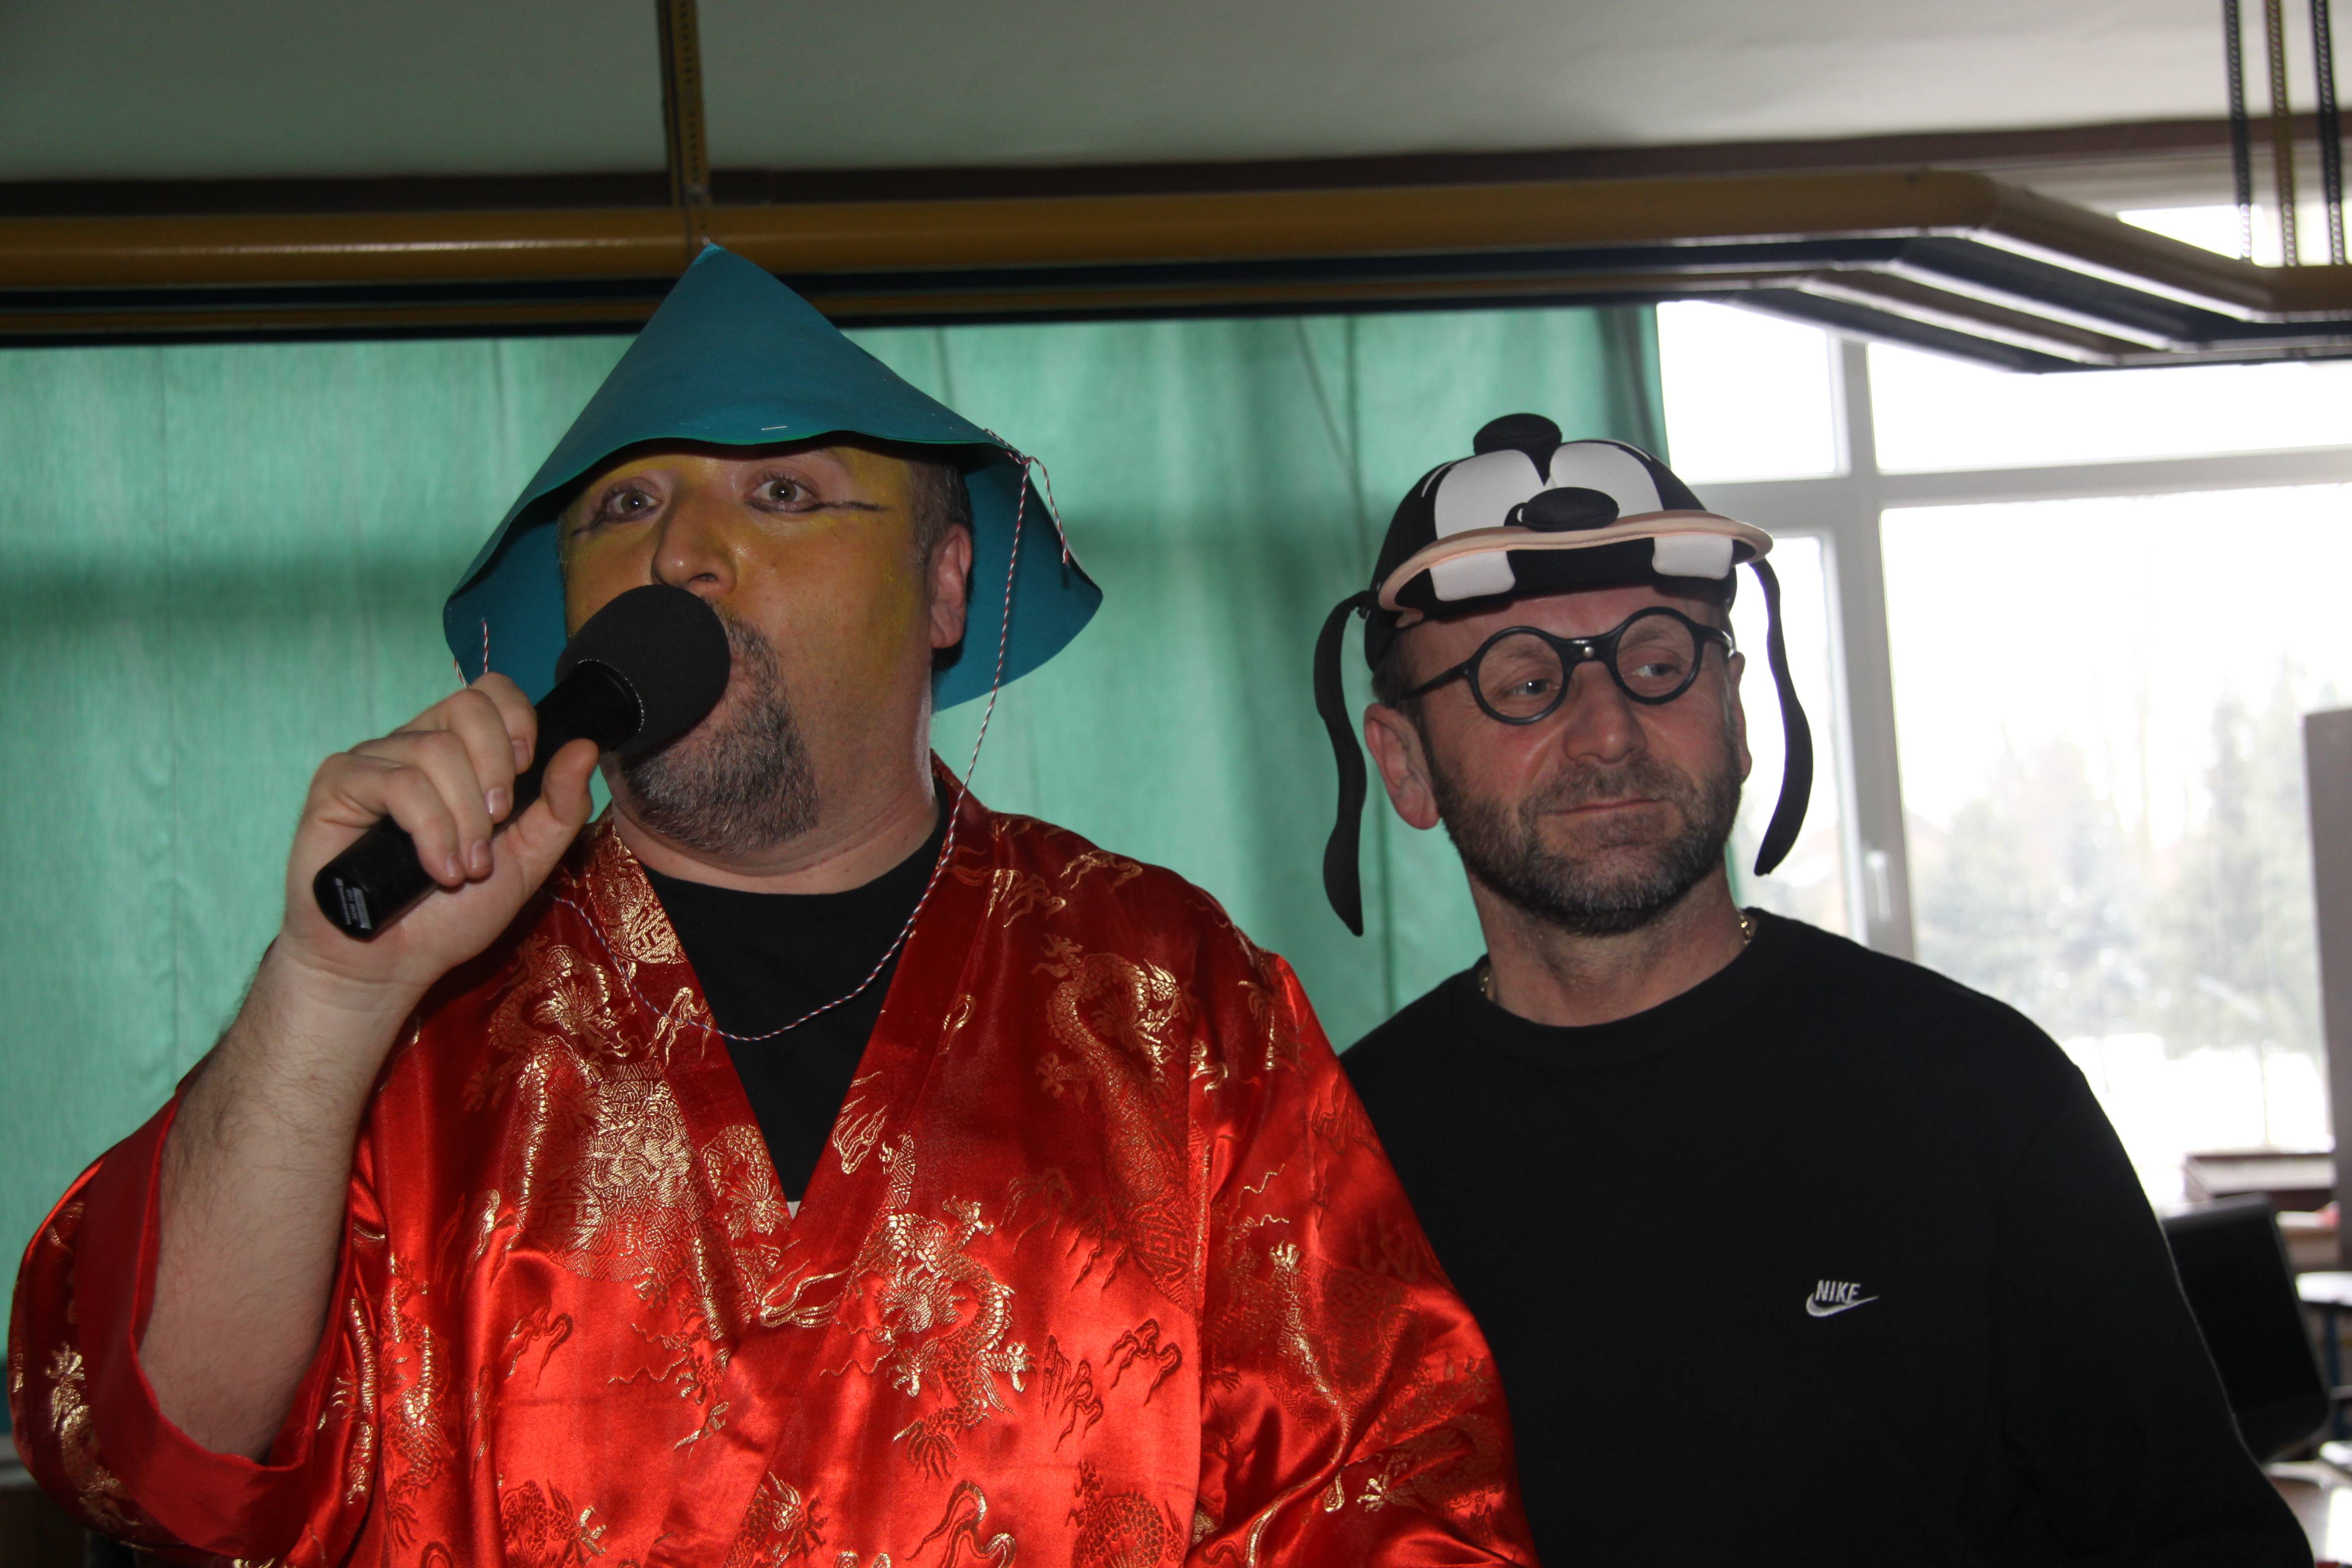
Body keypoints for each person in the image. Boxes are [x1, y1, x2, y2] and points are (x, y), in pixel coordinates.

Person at [9, 248, 1533, 1567]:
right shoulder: (414, 1023)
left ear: (947, 588)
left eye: (784, 493)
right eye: (625, 506)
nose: (678, 553)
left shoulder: (1166, 995)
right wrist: (328, 994)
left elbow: (1393, 1496)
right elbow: (156, 1458)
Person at [1316, 413, 2309, 1564]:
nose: (1607, 733)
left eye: (1658, 664)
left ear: (1737, 714)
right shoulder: (1339, 1171)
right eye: (1525, 682)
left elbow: (2198, 1540)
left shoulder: (1976, 1095)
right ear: (1405, 764)